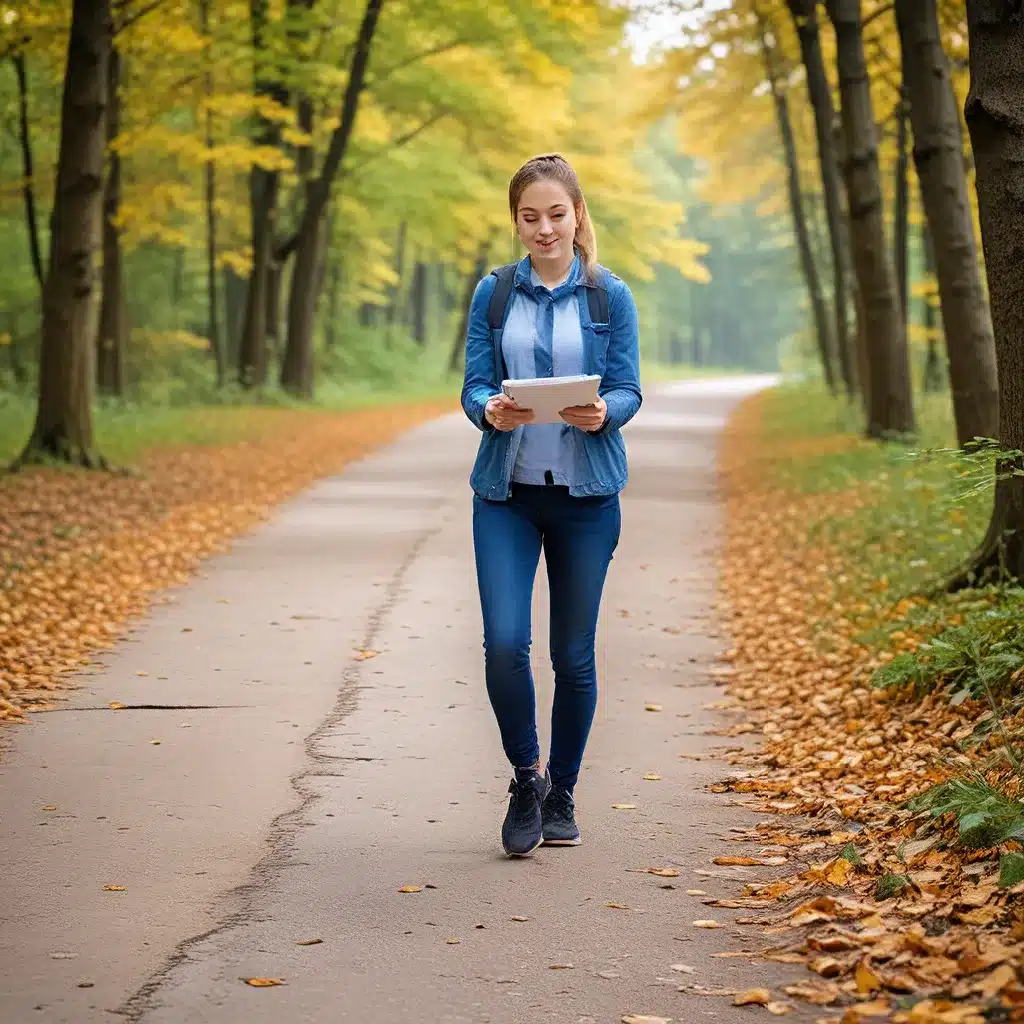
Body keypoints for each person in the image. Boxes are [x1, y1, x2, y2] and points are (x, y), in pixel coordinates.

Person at [460, 153, 642, 858]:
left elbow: (628, 386)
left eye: (555, 215)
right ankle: (525, 778)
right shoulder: (494, 293)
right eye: (530, 217)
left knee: (574, 656)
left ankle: (562, 790)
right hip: (505, 494)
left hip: (586, 497)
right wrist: (489, 409)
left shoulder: (608, 296)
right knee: (505, 642)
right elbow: (474, 382)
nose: (544, 229)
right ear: (516, 221)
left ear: (577, 216)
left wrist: (606, 412)